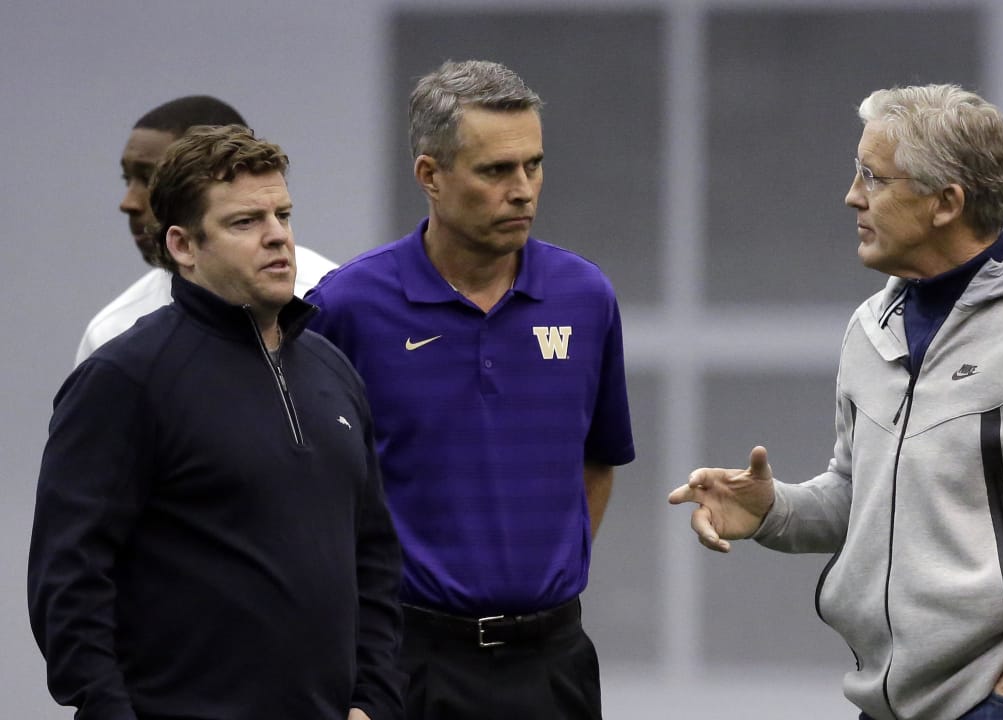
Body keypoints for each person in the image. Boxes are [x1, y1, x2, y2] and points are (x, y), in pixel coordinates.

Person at [668, 84, 1003, 720]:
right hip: (890, 702)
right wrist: (773, 511)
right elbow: (858, 497)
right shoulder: (871, 325)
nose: (852, 196)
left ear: (946, 203)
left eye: (872, 176)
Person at [29, 125, 403, 719]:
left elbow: (375, 557)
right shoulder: (125, 378)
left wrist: (375, 704)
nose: (278, 236)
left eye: (282, 214)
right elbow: (68, 581)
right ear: (183, 246)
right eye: (245, 222)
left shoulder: (332, 369)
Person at [305, 59, 634, 719]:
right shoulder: (348, 306)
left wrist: (533, 579)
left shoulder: (585, 297)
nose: (523, 191)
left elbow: (596, 463)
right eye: (495, 171)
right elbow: (310, 491)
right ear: (430, 175)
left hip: (553, 662)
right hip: (406, 663)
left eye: (533, 165)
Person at [75, 95, 336, 365]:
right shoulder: (113, 333)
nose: (128, 202)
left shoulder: (334, 302)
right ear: (181, 244)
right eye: (128, 179)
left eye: (150, 178)